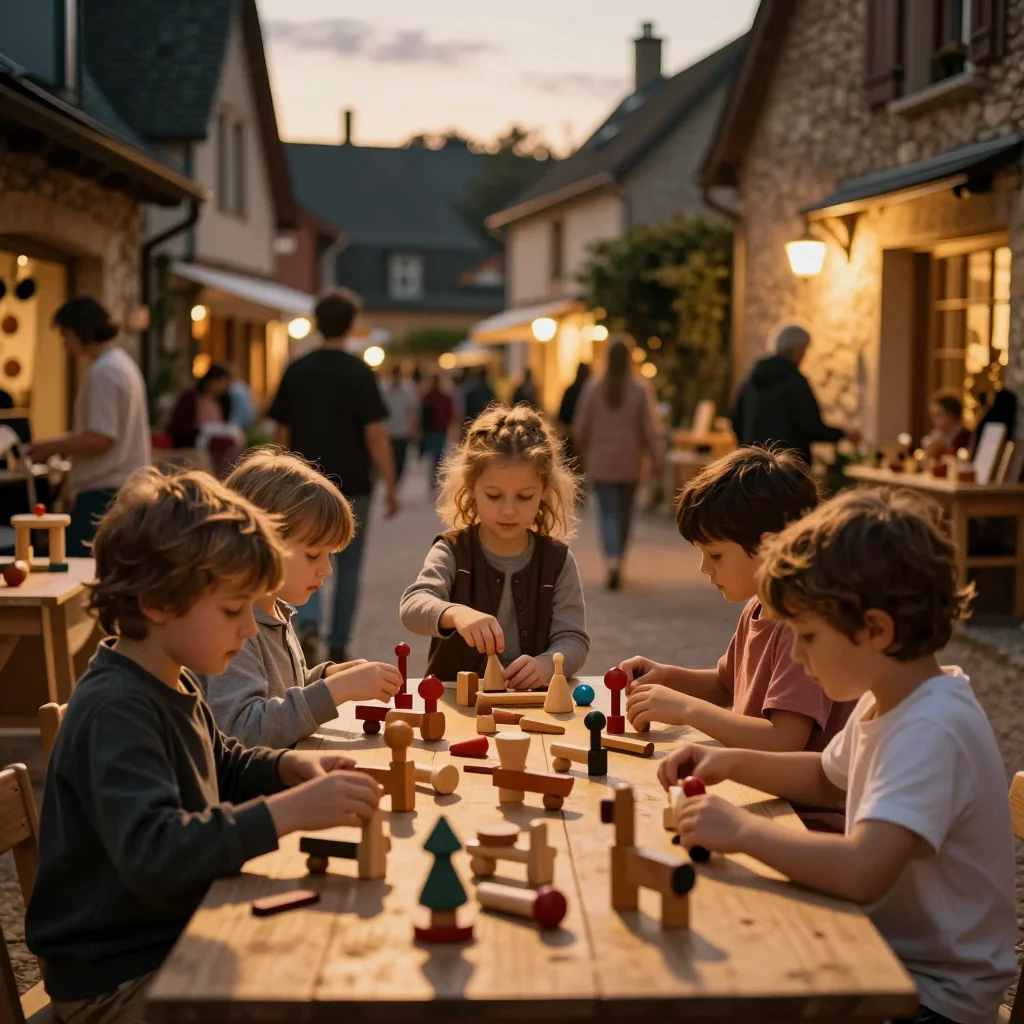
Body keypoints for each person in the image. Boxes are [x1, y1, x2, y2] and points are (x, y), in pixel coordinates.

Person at [25, 467, 382, 1023]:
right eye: (232, 610)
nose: (249, 629)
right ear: (158, 603)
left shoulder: (170, 678)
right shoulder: (117, 709)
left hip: (168, 939)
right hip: (116, 981)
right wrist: (287, 812)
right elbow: (157, 852)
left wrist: (290, 768)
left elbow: (224, 762)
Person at [662, 488, 1017, 1024]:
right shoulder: (890, 697)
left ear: (875, 630)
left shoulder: (929, 729)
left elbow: (861, 871)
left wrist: (741, 830)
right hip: (886, 957)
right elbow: (828, 778)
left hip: (929, 996)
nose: (796, 654)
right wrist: (728, 762)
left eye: (807, 635)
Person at [622, 445, 854, 830]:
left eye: (715, 555)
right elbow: (727, 684)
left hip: (804, 817)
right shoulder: (759, 605)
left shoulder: (802, 623)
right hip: (759, 792)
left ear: (768, 546)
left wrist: (686, 709)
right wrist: (668, 677)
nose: (704, 568)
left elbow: (783, 741)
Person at [202, 449, 402, 748]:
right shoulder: (234, 628)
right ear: (261, 544)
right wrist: (335, 691)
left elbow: (278, 692)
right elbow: (243, 730)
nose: (327, 569)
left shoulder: (274, 611)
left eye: (330, 555)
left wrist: (325, 677)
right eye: (313, 555)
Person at [401, 404, 589, 688]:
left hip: (532, 701)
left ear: (544, 492)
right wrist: (456, 614)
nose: (508, 510)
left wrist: (548, 664)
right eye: (494, 495)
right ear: (471, 488)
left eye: (524, 496)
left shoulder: (558, 560)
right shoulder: (452, 550)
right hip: (457, 700)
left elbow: (573, 639)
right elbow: (413, 606)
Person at [267, 287, 398, 664]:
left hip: (302, 487)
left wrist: (276, 476)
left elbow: (282, 432)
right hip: (354, 484)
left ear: (316, 323)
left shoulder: (297, 370)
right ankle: (339, 640)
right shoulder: (359, 373)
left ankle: (308, 624)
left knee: (303, 555)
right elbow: (375, 433)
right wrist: (390, 484)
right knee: (349, 567)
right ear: (351, 325)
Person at [27, 296, 150, 557]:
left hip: (103, 494)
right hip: (124, 489)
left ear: (76, 332)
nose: (64, 344)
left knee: (76, 568)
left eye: (64, 335)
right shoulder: (121, 364)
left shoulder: (104, 371)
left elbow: (101, 438)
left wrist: (50, 447)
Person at [573, 339, 662, 591]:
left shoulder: (593, 388)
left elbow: (581, 426)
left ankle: (612, 560)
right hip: (630, 461)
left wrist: (581, 451)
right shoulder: (639, 389)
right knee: (625, 513)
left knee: (608, 512)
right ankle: (619, 557)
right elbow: (649, 427)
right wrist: (655, 456)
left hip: (601, 461)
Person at [730, 322, 860, 463]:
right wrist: (842, 434)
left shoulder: (750, 381)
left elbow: (736, 420)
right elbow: (811, 427)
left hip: (753, 463)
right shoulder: (795, 381)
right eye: (804, 350)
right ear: (797, 349)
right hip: (788, 466)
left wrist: (749, 449)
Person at [166, 362, 232, 449]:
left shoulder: (222, 401)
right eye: (220, 382)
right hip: (191, 445)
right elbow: (180, 427)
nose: (222, 387)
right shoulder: (191, 398)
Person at [380, 364, 421, 483]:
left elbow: (413, 411)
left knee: (400, 460)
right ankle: (390, 481)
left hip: (402, 432)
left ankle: (395, 482)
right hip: (387, 432)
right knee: (388, 460)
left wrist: (415, 428)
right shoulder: (382, 390)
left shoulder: (408, 390)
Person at [420, 375, 454, 494]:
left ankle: (434, 478)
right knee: (437, 455)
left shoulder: (428, 397)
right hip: (437, 429)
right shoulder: (436, 397)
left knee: (435, 455)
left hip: (435, 429)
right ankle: (435, 478)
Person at [556, 362, 591, 472]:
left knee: (571, 468)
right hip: (585, 437)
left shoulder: (570, 390)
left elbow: (561, 415)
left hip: (569, 434)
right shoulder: (589, 393)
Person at [921, 392, 971, 459]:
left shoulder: (965, 436)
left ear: (951, 415)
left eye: (939, 415)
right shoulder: (935, 435)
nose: (934, 420)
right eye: (933, 416)